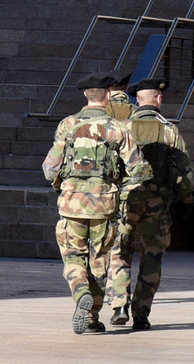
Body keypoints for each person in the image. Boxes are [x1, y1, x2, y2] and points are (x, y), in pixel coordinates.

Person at [42, 71, 149, 335]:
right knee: (99, 261)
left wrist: (63, 187)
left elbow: (49, 168)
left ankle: (81, 295)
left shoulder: (68, 125)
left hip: (70, 203)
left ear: (85, 95)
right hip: (105, 205)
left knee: (73, 256)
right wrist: (121, 192)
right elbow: (140, 169)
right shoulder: (118, 128)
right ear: (109, 95)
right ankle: (92, 317)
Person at [105, 77, 194, 330]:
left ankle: (119, 304)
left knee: (120, 251)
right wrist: (186, 199)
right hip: (157, 203)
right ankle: (141, 314)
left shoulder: (122, 128)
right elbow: (184, 169)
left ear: (136, 100)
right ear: (158, 98)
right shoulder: (168, 130)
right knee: (151, 256)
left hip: (127, 202)